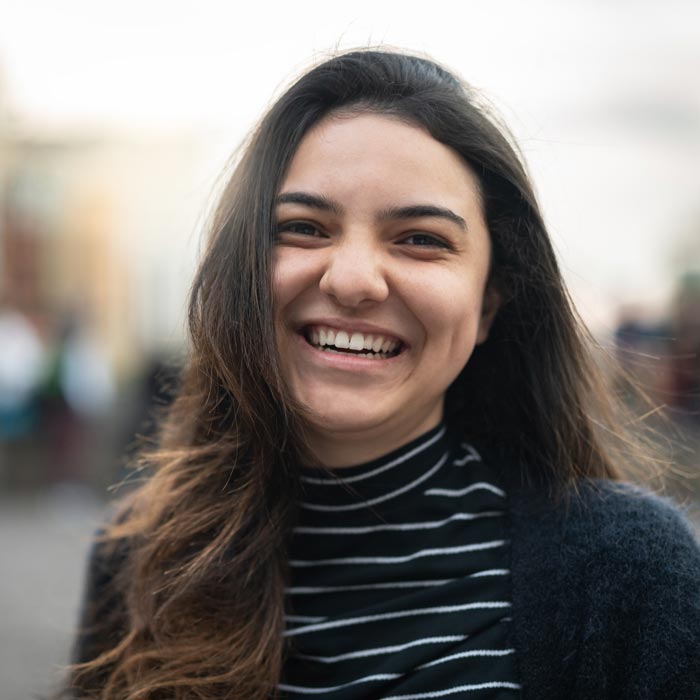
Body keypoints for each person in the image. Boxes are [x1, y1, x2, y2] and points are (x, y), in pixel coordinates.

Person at [64, 49, 700, 700]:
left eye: (420, 238)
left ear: (489, 302)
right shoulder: (138, 563)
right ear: (239, 273)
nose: (352, 280)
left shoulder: (625, 572)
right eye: (304, 228)